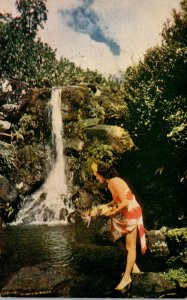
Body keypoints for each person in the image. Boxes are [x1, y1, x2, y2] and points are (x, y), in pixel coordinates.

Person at [91, 162, 147, 291]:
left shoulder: (115, 181)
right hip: (125, 211)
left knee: (130, 246)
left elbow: (125, 202)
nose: (97, 178)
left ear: (102, 174)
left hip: (131, 211)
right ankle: (134, 267)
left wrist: (111, 213)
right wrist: (105, 206)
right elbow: (117, 200)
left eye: (97, 175)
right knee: (116, 237)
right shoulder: (111, 183)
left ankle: (127, 277)